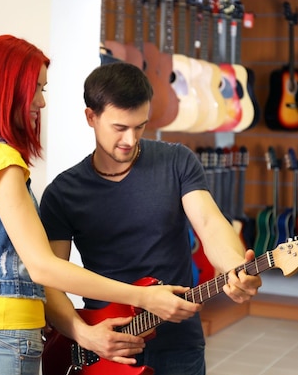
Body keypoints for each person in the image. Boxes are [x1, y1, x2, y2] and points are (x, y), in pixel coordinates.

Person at [0, 35, 201, 375]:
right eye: (36, 89)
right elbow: (43, 268)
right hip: (0, 338)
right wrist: (143, 298)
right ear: (5, 89)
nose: (41, 101)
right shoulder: (0, 161)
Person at [40, 61, 262, 375]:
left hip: (178, 345)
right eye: (119, 128)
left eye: (140, 126)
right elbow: (50, 281)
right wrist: (84, 334)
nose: (130, 139)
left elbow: (210, 224)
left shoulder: (177, 161)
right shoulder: (63, 192)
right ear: (91, 116)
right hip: (104, 346)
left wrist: (234, 267)